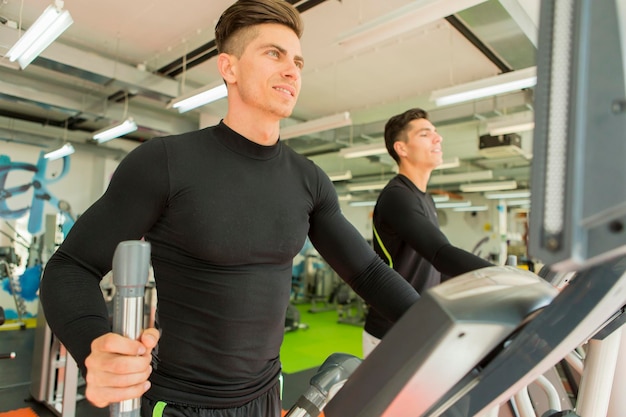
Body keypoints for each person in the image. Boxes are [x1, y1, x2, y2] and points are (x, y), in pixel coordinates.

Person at [39, 1, 420, 416]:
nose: (293, 70)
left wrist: (444, 326)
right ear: (229, 68)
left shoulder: (308, 179)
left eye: (298, 60)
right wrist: (92, 342)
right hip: (182, 403)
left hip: (266, 398)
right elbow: (72, 266)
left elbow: (366, 272)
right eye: (273, 53)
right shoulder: (165, 162)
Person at [362, 108, 493, 357]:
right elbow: (440, 253)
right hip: (391, 332)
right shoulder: (397, 197)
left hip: (418, 325)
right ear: (402, 148)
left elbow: (434, 268)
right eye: (425, 134)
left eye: (435, 132)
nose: (438, 138)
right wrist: (501, 276)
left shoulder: (424, 199)